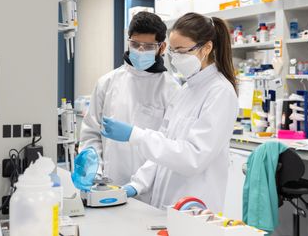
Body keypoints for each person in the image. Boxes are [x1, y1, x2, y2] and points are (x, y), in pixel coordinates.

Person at [101, 12, 238, 212]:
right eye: (172, 52)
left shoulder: (220, 92)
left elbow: (194, 158)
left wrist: (136, 135)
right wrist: (136, 184)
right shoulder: (186, 90)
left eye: (181, 51)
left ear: (206, 48)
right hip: (168, 203)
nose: (175, 59)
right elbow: (164, 144)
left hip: (195, 206)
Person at [79, 11, 180, 203]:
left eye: (148, 46)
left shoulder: (172, 89)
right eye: (135, 44)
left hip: (150, 191)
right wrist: (94, 170)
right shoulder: (107, 83)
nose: (140, 51)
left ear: (162, 47)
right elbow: (91, 133)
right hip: (107, 185)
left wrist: (137, 185)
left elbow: (167, 146)